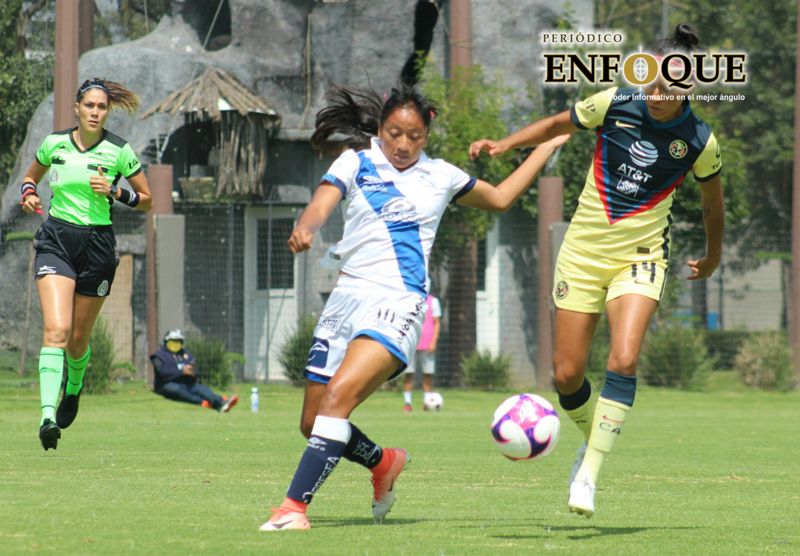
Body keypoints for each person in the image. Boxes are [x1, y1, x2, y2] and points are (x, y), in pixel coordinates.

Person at [260, 82, 569, 532]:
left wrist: (545, 145)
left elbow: (501, 199)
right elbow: (319, 205)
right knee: (313, 424)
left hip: (398, 303)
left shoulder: (440, 175)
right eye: (394, 133)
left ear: (427, 134)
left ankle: (293, 509)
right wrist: (305, 228)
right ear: (381, 128)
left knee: (337, 401)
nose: (403, 145)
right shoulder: (356, 161)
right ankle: (383, 463)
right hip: (345, 299)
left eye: (414, 136)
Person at [470, 23, 724, 518]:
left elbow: (713, 207)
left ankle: (588, 474)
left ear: (689, 88)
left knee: (623, 360)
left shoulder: (699, 140)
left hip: (642, 257)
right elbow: (555, 126)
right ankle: (592, 442)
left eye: (669, 89)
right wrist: (504, 145)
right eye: (651, 81)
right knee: (565, 375)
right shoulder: (615, 102)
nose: (656, 94)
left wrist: (713, 256)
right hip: (582, 254)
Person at [20, 78, 154, 451]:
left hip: (98, 245)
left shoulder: (119, 151)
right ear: (76, 108)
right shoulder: (54, 144)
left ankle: (73, 388)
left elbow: (146, 200)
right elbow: (30, 178)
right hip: (57, 241)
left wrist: (116, 191)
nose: (95, 112)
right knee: (56, 330)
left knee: (77, 341)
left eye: (102, 107)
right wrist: (29, 193)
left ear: (107, 111)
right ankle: (47, 416)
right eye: (90, 105)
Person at [149, 329, 239, 412]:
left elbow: (195, 369)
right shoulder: (158, 356)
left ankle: (222, 403)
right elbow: (163, 372)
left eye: (178, 342)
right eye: (173, 342)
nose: (175, 344)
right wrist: (182, 372)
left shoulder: (185, 354)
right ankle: (204, 403)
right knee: (177, 390)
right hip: (166, 385)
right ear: (166, 342)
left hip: (187, 383)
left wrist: (193, 373)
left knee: (202, 390)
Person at [401, 280, 441, 412]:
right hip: (411, 343)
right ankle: (407, 403)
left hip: (427, 344)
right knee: (409, 374)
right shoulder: (409, 300)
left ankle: (427, 402)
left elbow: (436, 323)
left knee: (427, 374)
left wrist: (434, 341)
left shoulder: (433, 301)